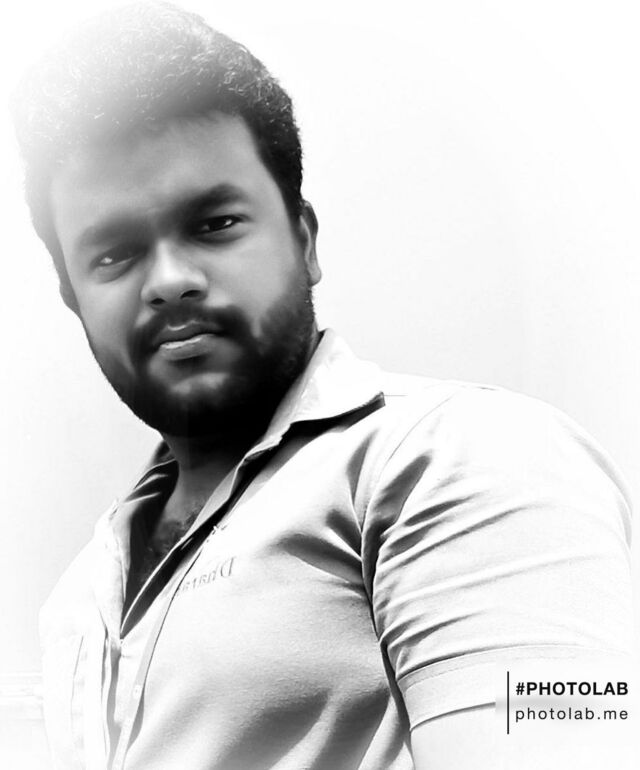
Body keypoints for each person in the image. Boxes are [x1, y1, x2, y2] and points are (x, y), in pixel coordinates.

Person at [11, 2, 635, 769]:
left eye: (215, 224)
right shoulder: (81, 592)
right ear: (74, 297)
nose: (169, 280)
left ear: (305, 241)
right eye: (113, 256)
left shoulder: (461, 457)